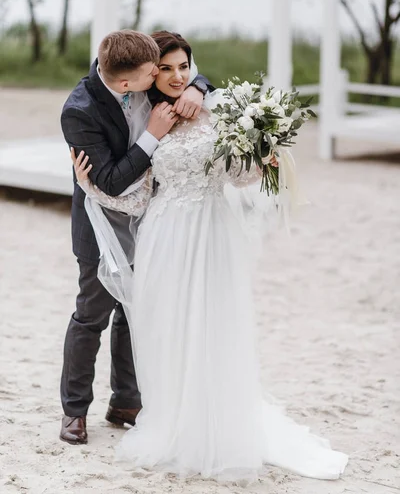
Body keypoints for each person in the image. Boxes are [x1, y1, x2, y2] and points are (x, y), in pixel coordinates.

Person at [73, 31, 348, 482]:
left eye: (185, 66)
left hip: (212, 231)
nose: (179, 76)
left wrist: (262, 160)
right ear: (147, 77)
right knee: (170, 326)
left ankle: (216, 425)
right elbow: (139, 196)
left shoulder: (215, 107)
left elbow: (237, 176)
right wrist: (91, 186)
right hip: (164, 233)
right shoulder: (145, 118)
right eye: (166, 69)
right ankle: (174, 422)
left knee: (214, 323)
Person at [60, 29, 212, 445]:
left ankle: (126, 401)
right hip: (101, 224)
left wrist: (198, 86)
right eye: (154, 73)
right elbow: (108, 182)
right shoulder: (80, 111)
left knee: (133, 314)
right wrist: (152, 135)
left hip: (149, 222)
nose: (162, 78)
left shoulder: (135, 65)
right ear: (127, 82)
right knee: (92, 316)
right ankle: (74, 412)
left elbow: (188, 73)